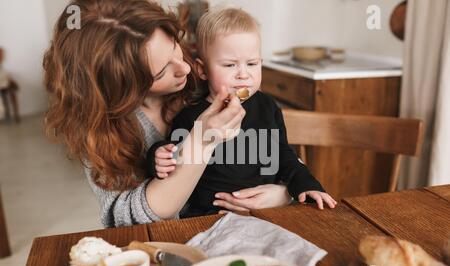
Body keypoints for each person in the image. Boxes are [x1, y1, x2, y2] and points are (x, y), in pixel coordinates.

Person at [43, 0, 295, 227]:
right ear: (122, 86)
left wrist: (284, 192)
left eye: (174, 46)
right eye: (161, 72)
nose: (185, 67)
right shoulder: (100, 128)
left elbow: (274, 148)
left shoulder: (210, 75)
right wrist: (201, 141)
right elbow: (125, 218)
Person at [149, 8, 337, 218]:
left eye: (252, 64)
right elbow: (176, 157)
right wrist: (157, 155)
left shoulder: (267, 106)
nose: (243, 75)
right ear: (203, 70)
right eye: (230, 65)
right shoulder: (190, 114)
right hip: (206, 215)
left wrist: (307, 185)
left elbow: (284, 155)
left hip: (268, 213)